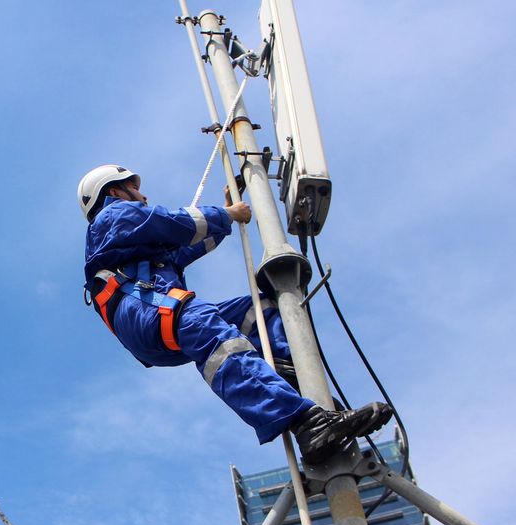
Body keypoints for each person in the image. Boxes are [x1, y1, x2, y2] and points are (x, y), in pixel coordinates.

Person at [78, 164, 391, 463]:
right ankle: (308, 424)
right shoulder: (113, 215)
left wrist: (226, 217)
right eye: (134, 187)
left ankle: (291, 384)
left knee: (262, 309)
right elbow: (175, 224)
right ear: (115, 193)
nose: (143, 195)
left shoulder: (132, 239)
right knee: (214, 334)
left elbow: (184, 248)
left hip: (151, 318)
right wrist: (227, 214)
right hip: (144, 309)